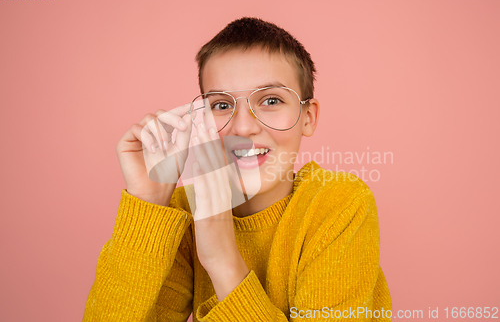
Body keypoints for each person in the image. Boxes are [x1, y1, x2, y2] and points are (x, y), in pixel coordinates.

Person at [83, 17, 392, 321]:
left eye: (271, 100)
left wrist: (222, 261)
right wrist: (148, 205)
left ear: (308, 117)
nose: (243, 127)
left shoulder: (339, 204)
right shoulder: (183, 215)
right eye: (221, 105)